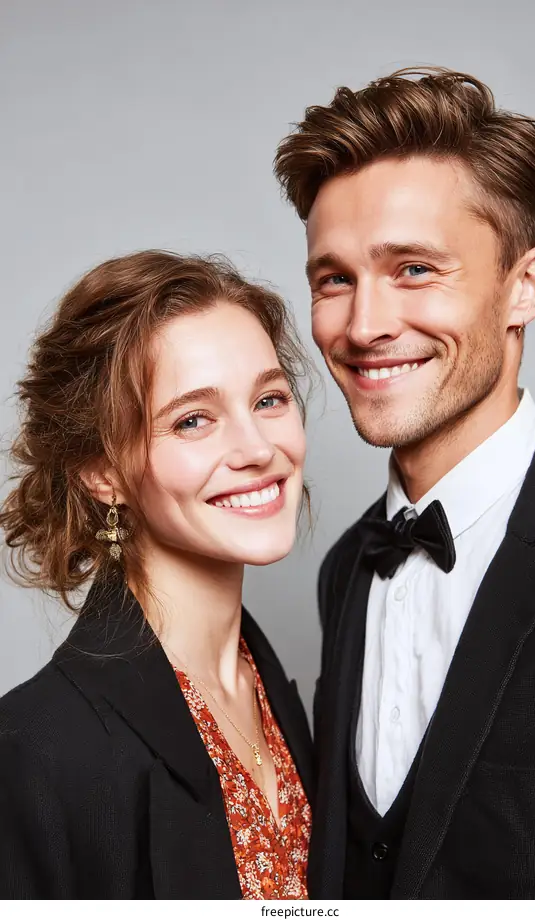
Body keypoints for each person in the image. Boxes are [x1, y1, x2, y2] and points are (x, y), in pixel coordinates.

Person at [275, 67, 535, 899]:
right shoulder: (345, 568)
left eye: (414, 269)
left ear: (523, 285)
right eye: (334, 278)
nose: (364, 325)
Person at [0, 251, 313, 899]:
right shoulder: (34, 748)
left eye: (269, 398)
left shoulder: (283, 696)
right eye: (193, 419)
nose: (258, 449)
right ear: (102, 471)